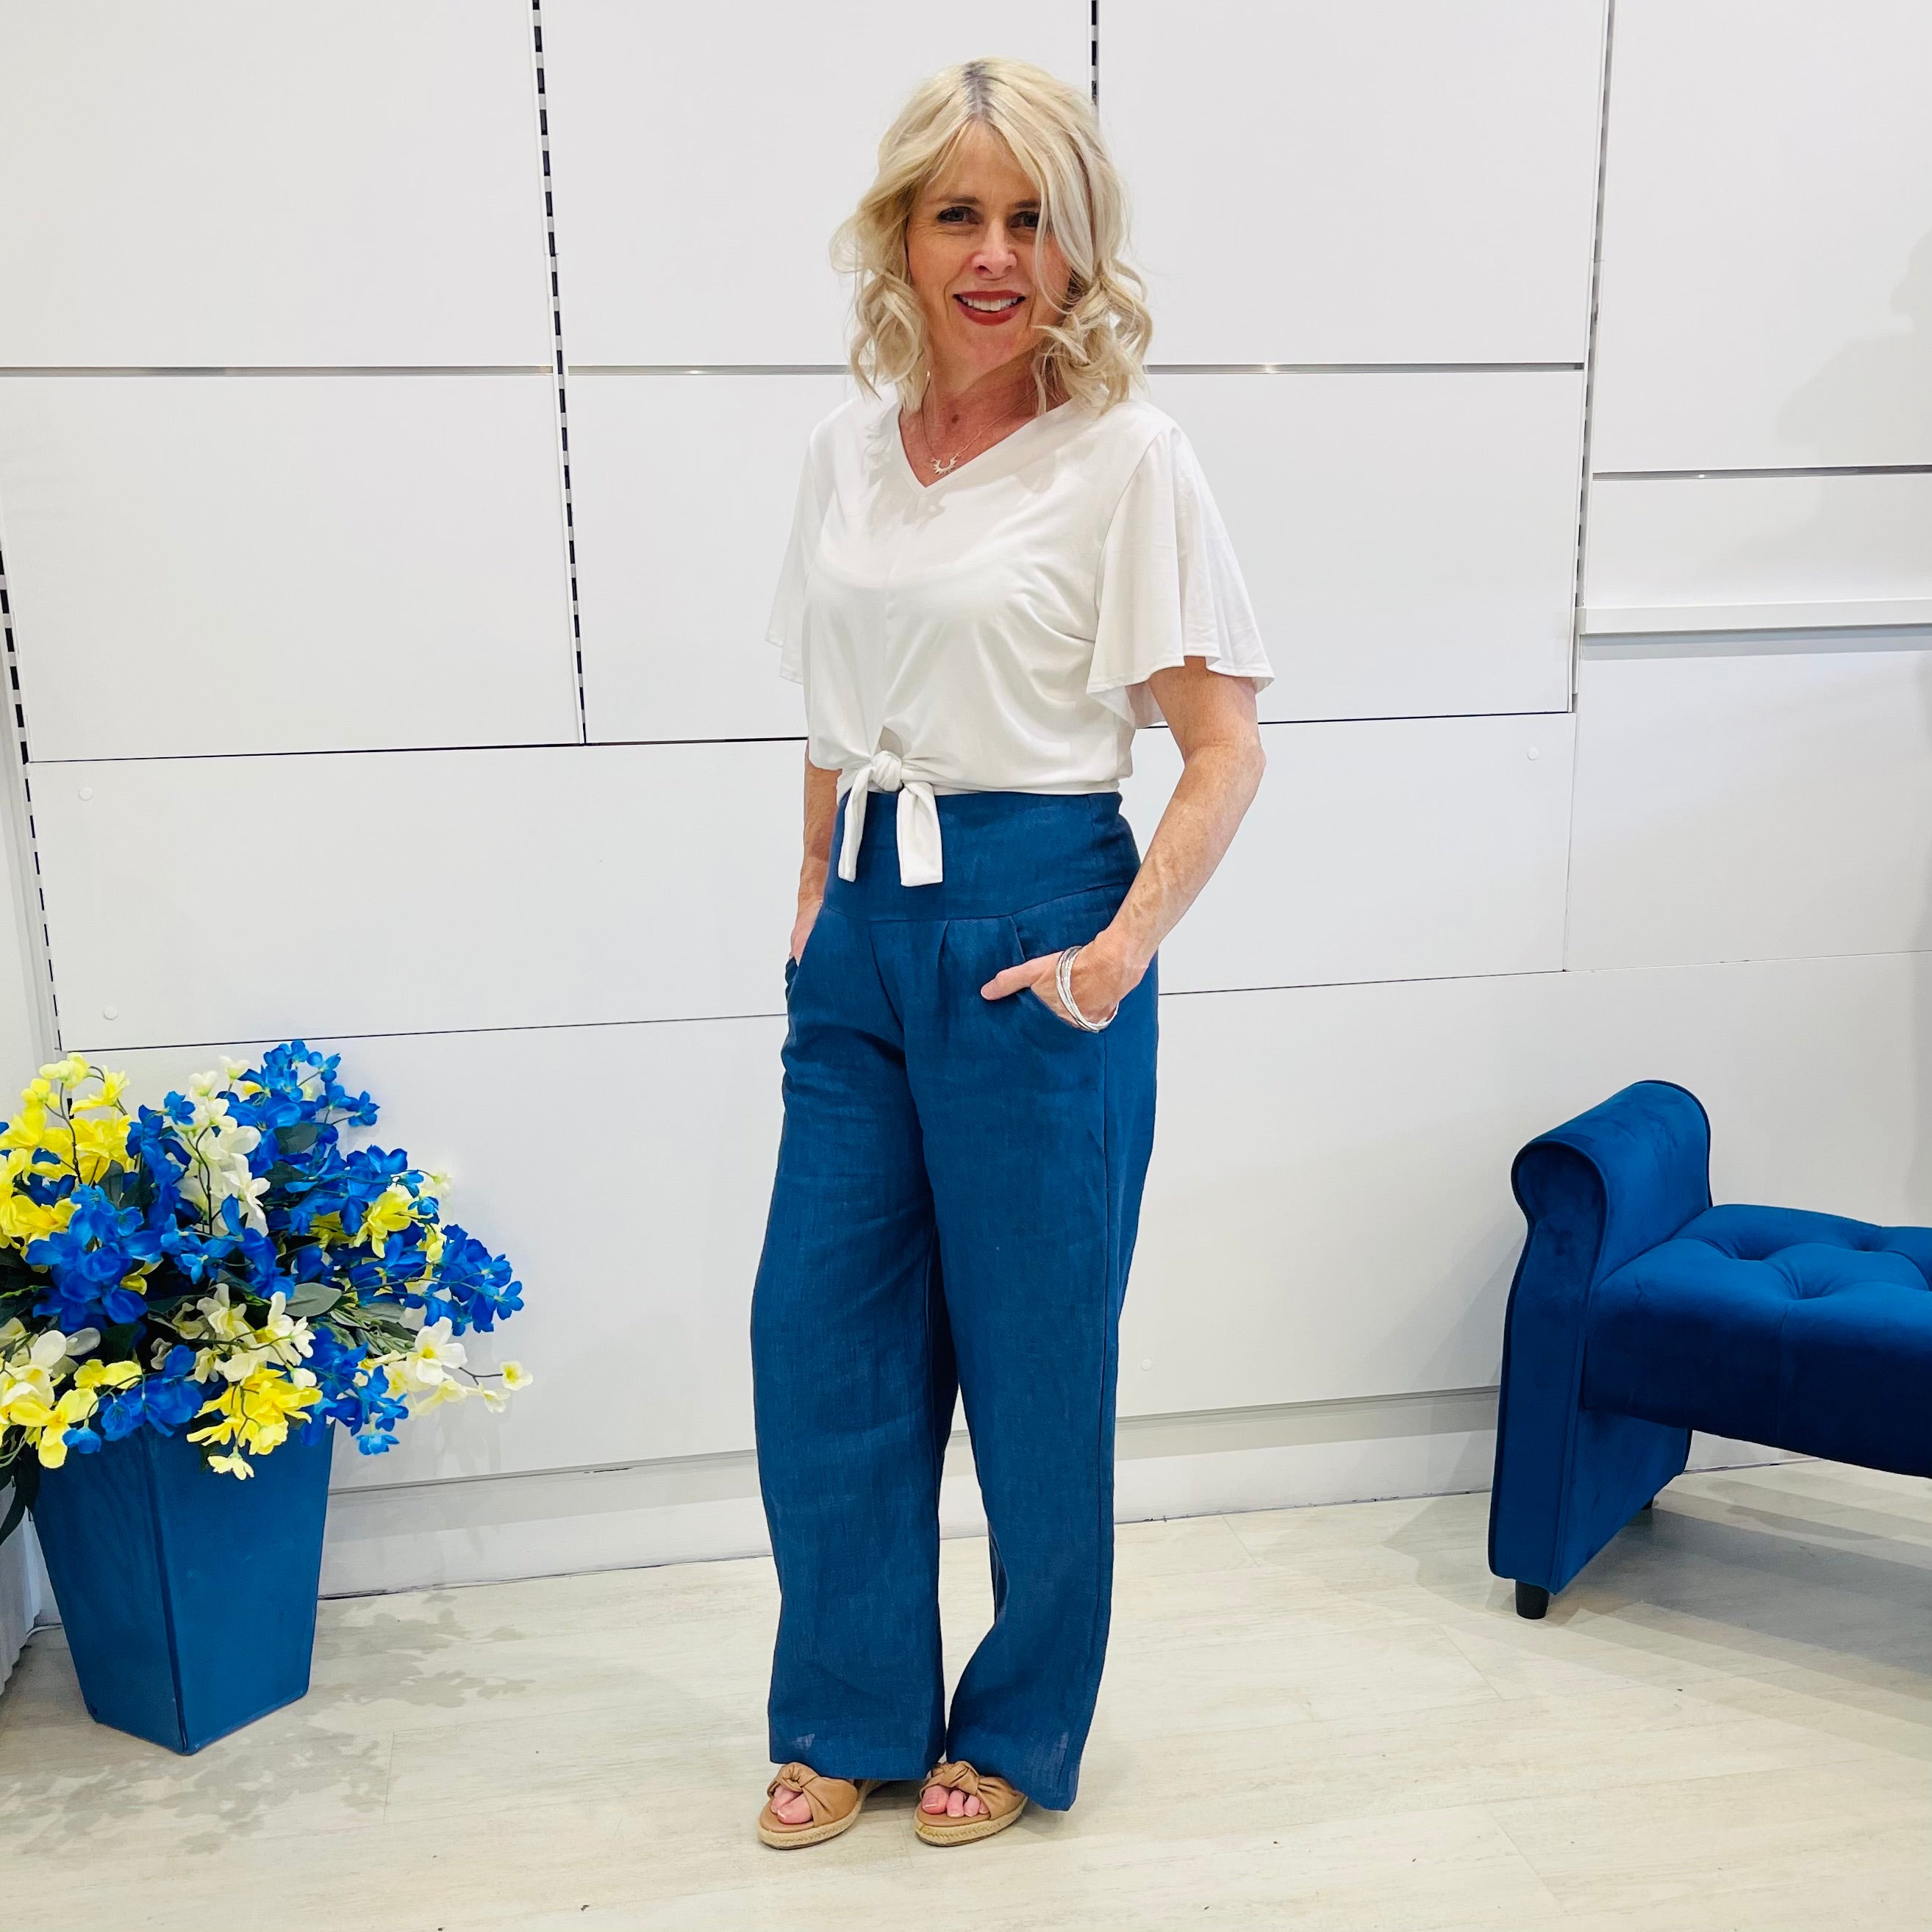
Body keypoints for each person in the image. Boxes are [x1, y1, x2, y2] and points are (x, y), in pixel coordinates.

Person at [750, 56, 1270, 1850]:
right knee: (817, 1340)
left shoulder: (1129, 457)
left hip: (1039, 920)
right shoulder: (844, 450)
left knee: (1036, 1367)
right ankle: (849, 1710)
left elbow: (1222, 744)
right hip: (865, 948)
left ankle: (1024, 1726)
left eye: (1032, 219)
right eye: (958, 212)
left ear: (1079, 249)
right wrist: (812, 890)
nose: (993, 255)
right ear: (900, 231)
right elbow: (830, 703)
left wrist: (1122, 949)